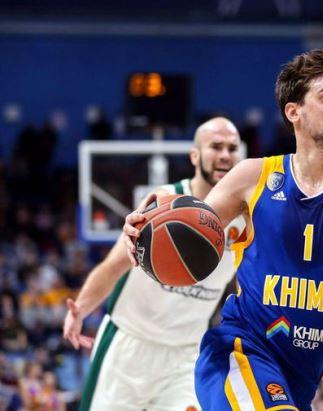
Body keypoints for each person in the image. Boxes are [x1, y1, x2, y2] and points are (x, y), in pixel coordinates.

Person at [122, 49, 323, 411]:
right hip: (239, 353)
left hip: (298, 384)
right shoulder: (253, 176)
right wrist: (147, 227)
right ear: (294, 111)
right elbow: (191, 227)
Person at [63, 117, 244, 411]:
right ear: (195, 155)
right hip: (129, 346)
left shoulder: (245, 221)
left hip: (185, 354)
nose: (225, 154)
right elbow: (112, 267)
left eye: (232, 148)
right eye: (216, 146)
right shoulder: (161, 205)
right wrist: (80, 308)